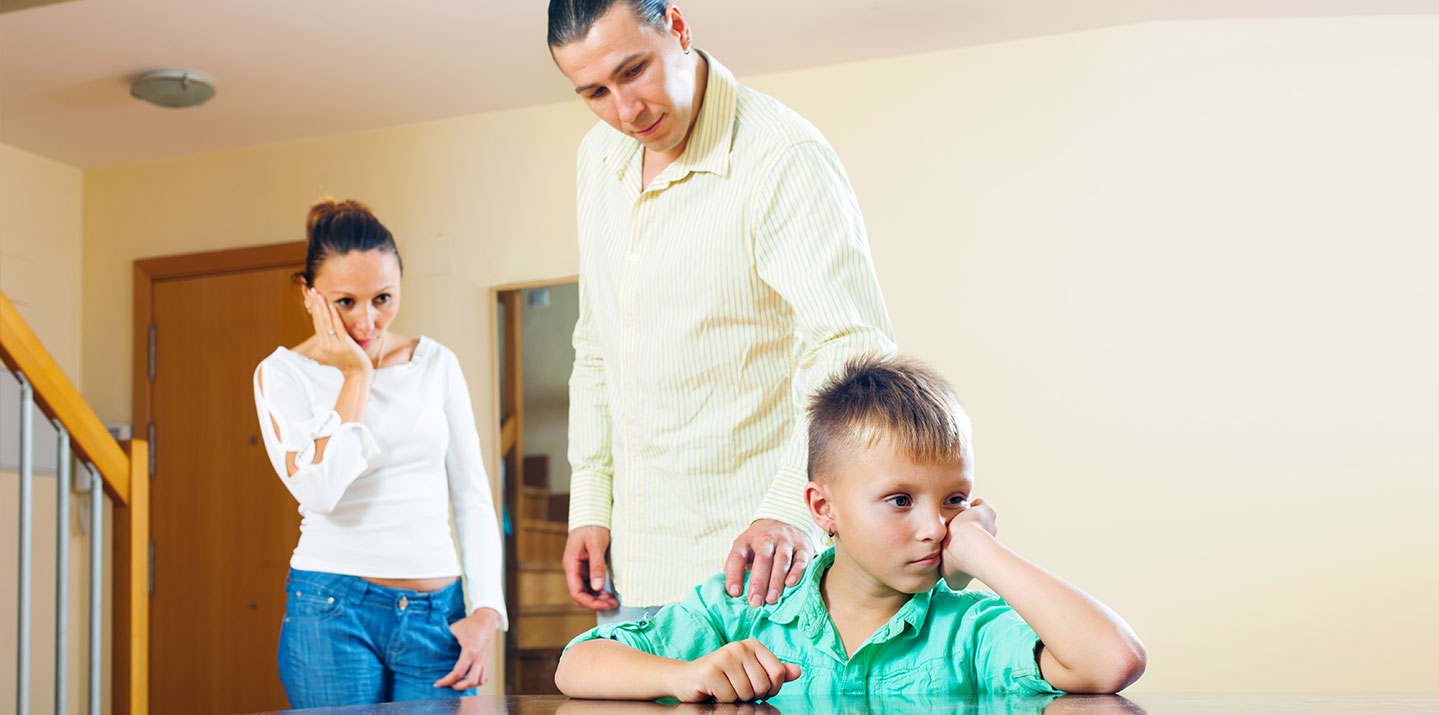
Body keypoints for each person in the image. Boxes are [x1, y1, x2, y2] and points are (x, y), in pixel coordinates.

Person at [547, 0, 896, 625]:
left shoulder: (782, 154)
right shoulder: (594, 158)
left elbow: (851, 347)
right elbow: (596, 343)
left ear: (677, 28)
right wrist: (590, 506)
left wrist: (789, 508)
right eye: (594, 92)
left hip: (758, 566)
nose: (626, 112)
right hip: (634, 567)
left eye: (633, 72)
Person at [552, 355, 1147, 701]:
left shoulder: (969, 629)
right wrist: (685, 676)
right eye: (898, 500)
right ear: (822, 508)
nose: (934, 527)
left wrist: (980, 548)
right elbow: (576, 665)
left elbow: (1111, 661)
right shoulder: (748, 608)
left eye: (954, 500)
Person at [251, 199, 507, 707]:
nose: (367, 321)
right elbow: (321, 492)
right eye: (345, 302)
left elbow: (472, 496)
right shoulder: (282, 375)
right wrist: (356, 375)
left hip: (439, 616)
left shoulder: (436, 364)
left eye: (383, 299)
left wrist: (487, 613)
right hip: (330, 608)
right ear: (309, 294)